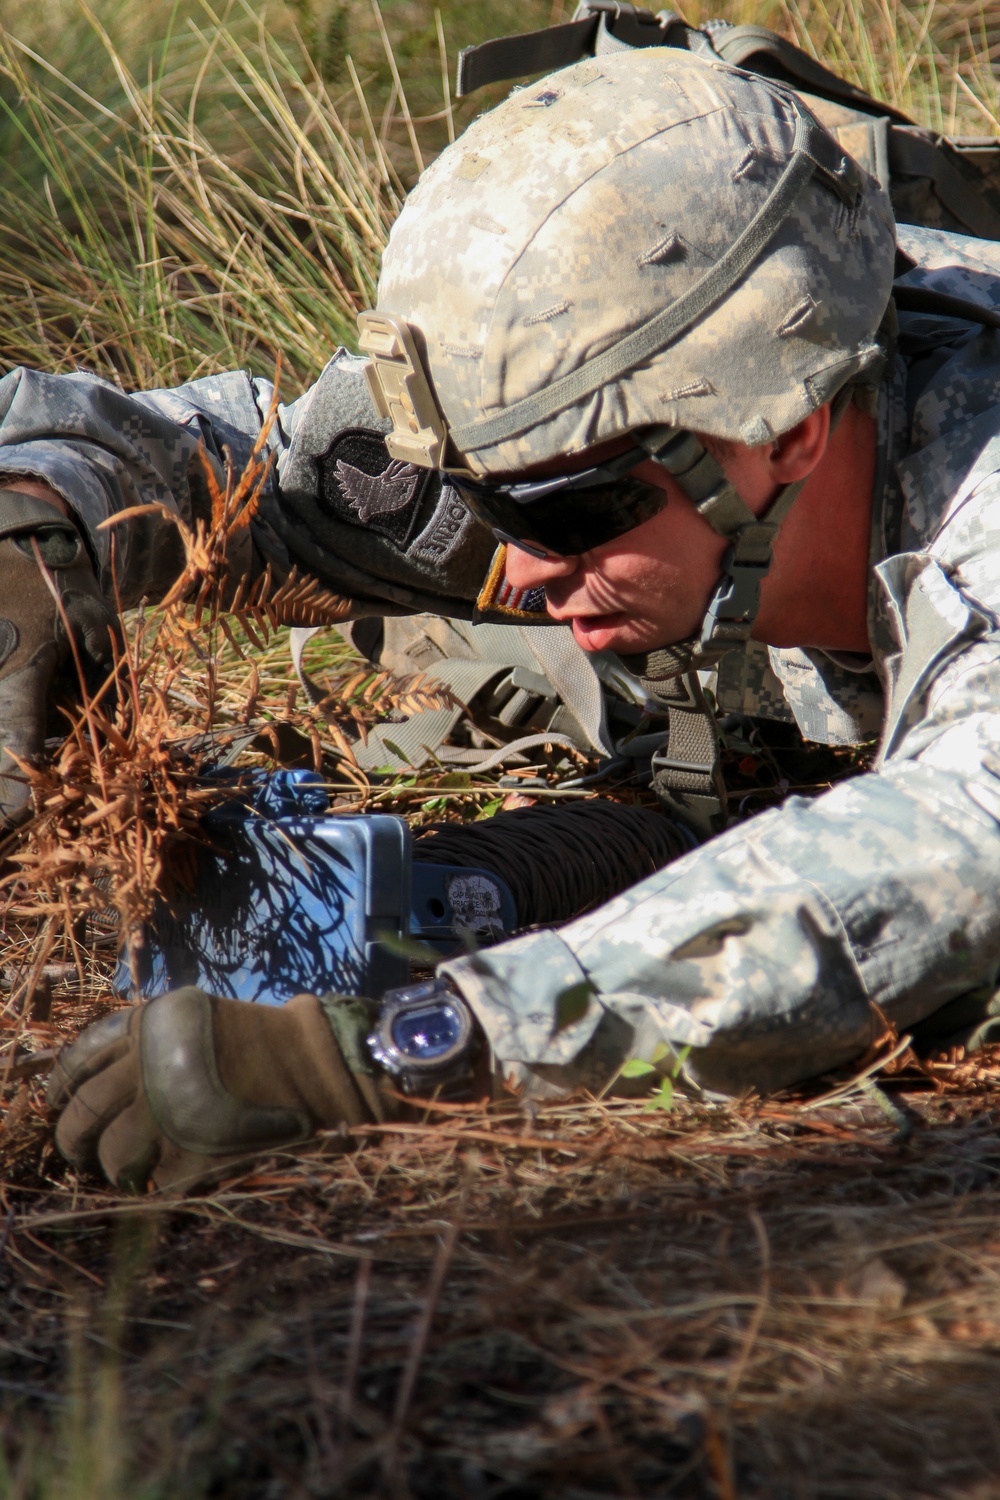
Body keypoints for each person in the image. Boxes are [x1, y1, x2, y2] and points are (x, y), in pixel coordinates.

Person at [26, 46, 1000, 1190]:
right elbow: (257, 469)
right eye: (485, 499)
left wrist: (402, 1049)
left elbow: (953, 845)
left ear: (782, 434)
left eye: (568, 510)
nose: (521, 567)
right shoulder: (596, 414)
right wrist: (41, 515)